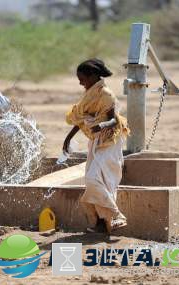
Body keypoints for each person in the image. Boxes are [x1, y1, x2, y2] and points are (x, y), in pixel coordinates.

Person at [64, 59, 130, 234]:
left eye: (82, 79)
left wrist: (101, 126)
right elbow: (81, 119)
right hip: (95, 140)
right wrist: (68, 139)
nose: (80, 82)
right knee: (95, 181)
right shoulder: (89, 94)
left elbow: (113, 119)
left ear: (93, 76)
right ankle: (102, 223)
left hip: (109, 140)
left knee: (95, 179)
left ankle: (117, 215)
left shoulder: (105, 93)